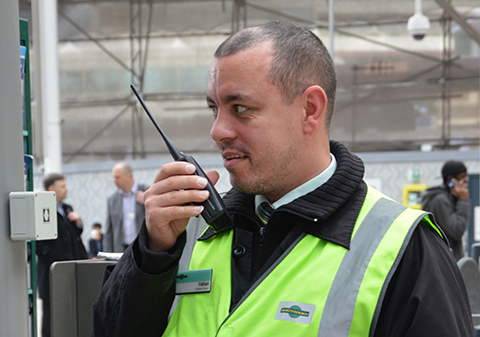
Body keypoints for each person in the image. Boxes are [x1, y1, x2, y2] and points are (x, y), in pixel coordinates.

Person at [93, 21, 473, 336]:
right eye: (215, 108)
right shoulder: (186, 231)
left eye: (241, 108)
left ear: (310, 109)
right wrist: (153, 254)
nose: (218, 131)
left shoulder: (403, 250)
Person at [37, 173, 88, 337]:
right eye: (62, 186)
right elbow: (39, 242)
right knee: (51, 314)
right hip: (52, 271)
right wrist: (50, 255)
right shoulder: (43, 209)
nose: (66, 190)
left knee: (70, 310)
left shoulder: (67, 208)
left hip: (69, 269)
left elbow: (75, 234)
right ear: (51, 189)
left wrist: (78, 222)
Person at [421, 160, 470, 261]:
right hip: (444, 260)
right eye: (462, 177)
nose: (466, 180)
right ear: (451, 179)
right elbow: (457, 230)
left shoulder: (448, 198)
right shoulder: (440, 201)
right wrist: (463, 200)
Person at [103, 162, 149, 252]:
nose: (114, 181)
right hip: (121, 250)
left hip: (143, 248)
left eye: (117, 177)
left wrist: (147, 201)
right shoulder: (112, 200)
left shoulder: (147, 192)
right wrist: (107, 254)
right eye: (113, 177)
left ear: (128, 176)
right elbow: (109, 230)